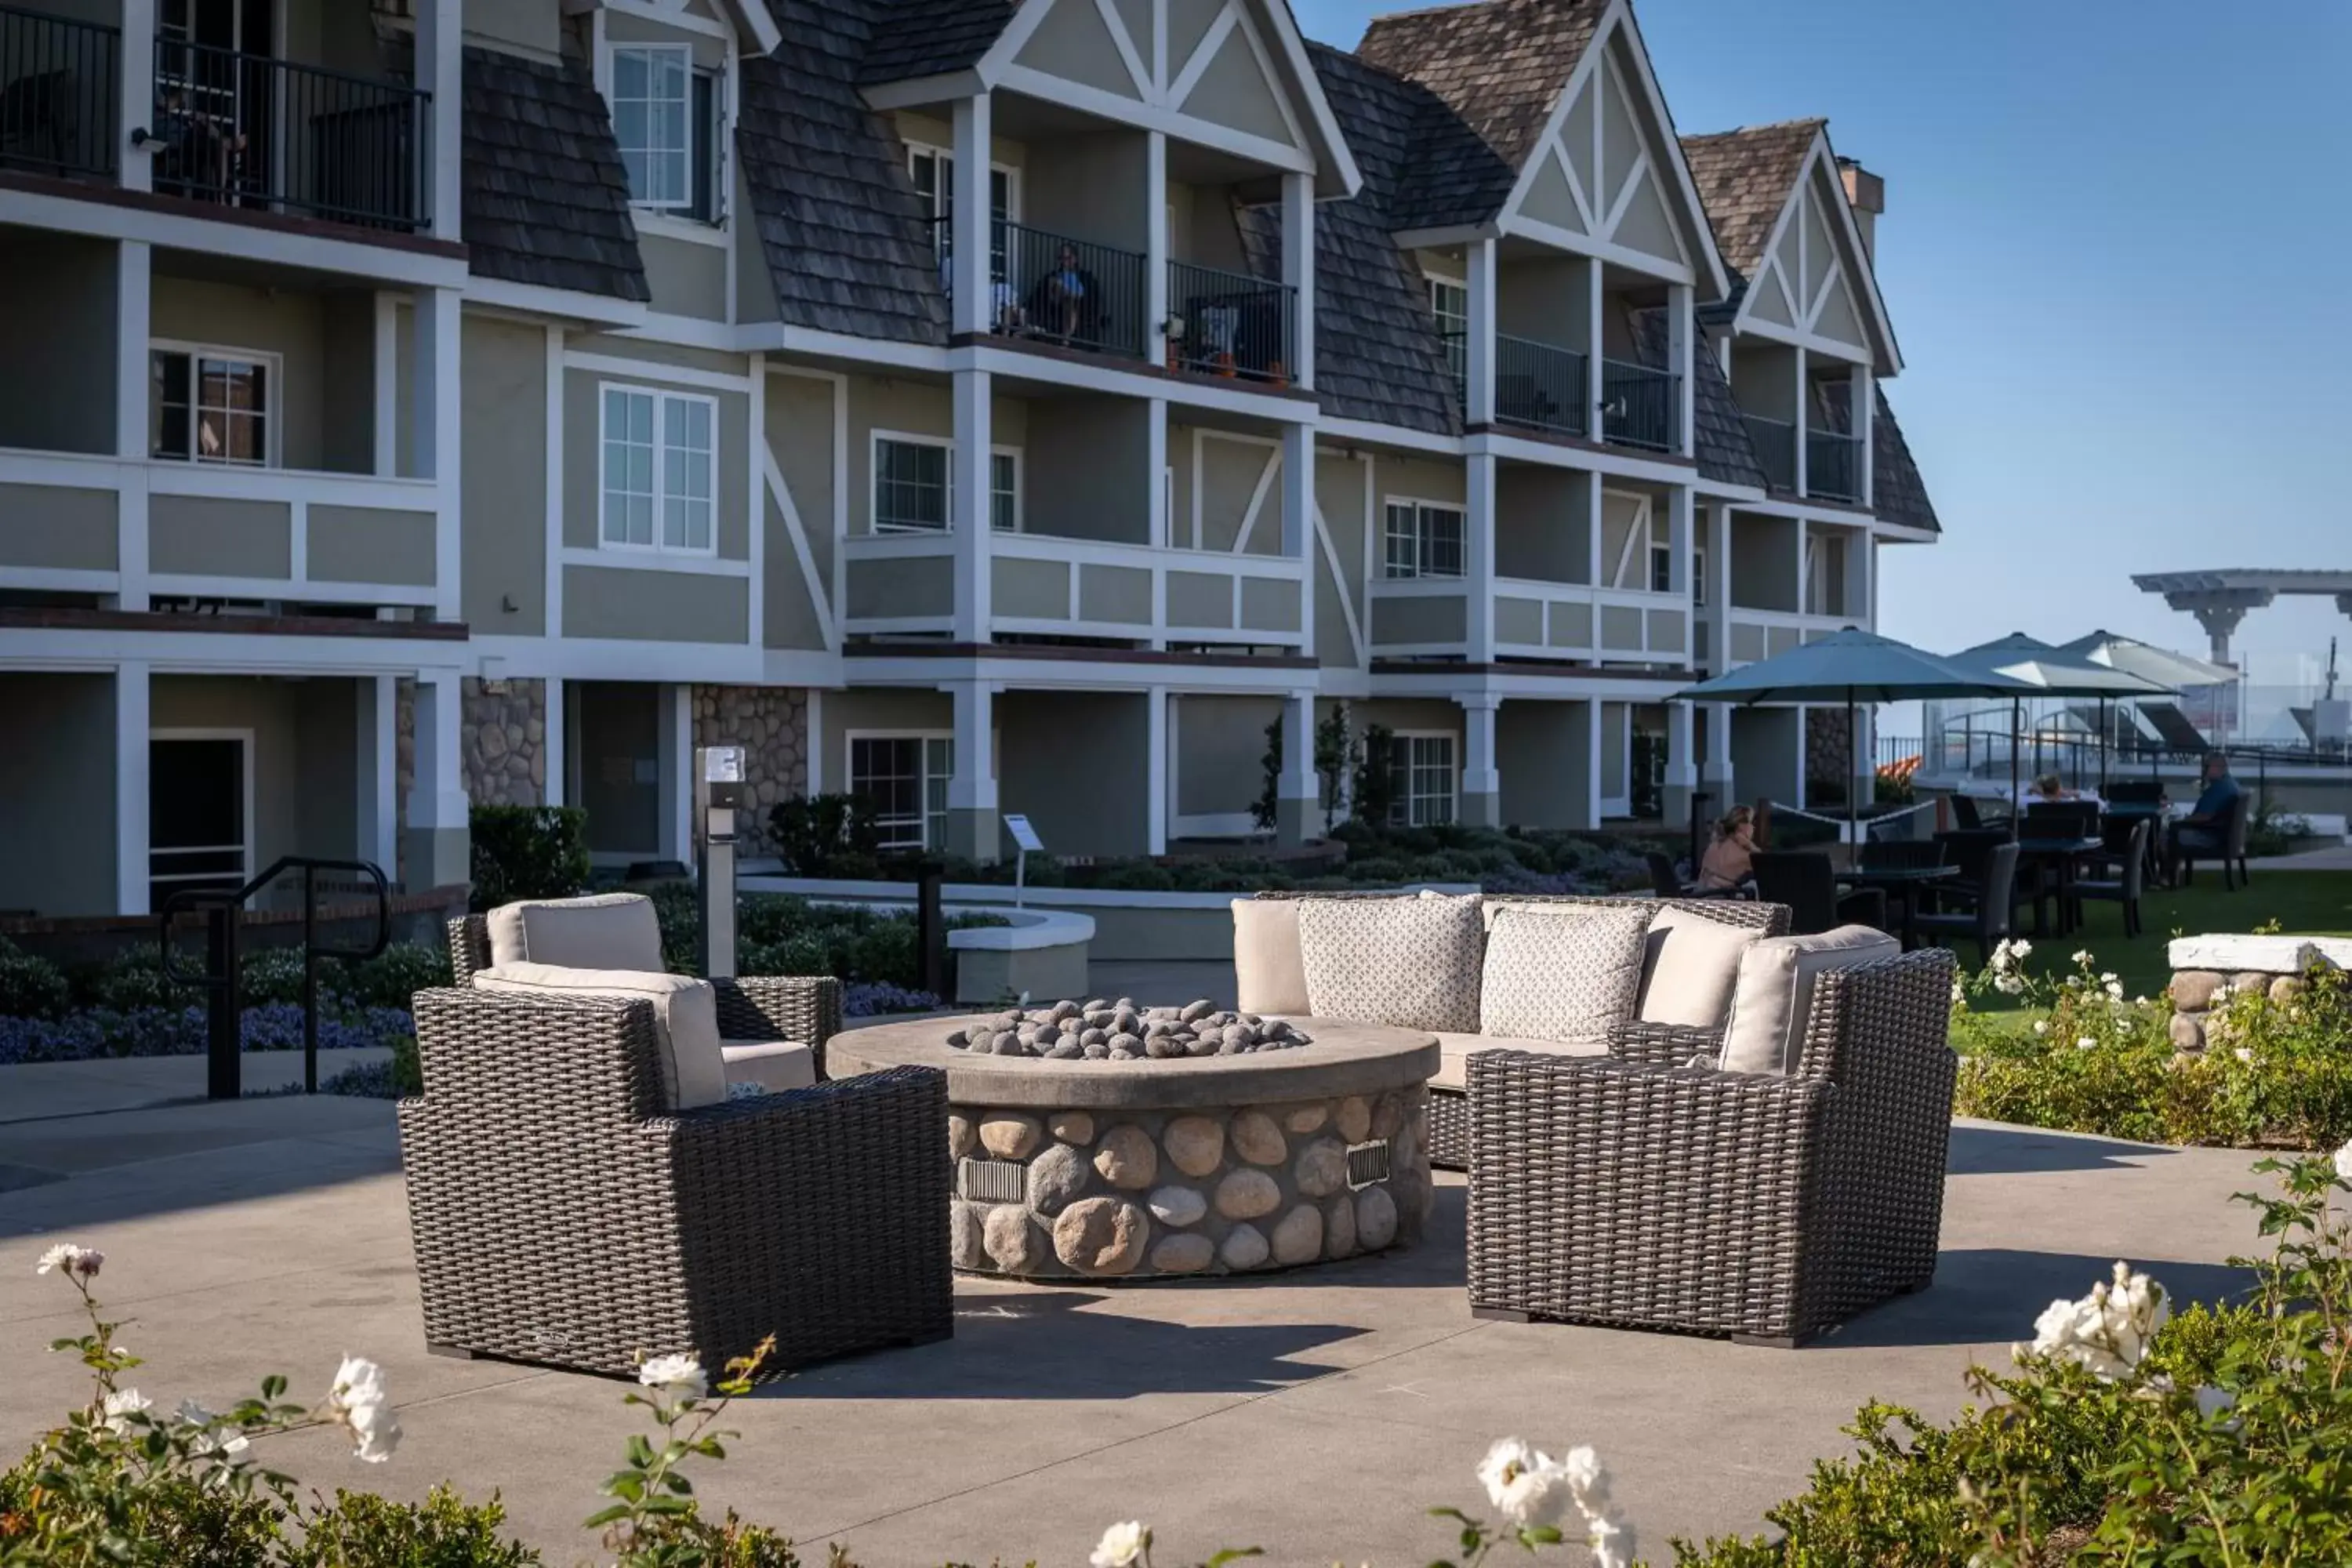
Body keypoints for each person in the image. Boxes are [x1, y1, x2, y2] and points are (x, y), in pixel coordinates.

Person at [2162, 751, 2242, 885]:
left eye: (2207, 767)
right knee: (2174, 831)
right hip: (2221, 835)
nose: (2204, 770)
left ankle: (2166, 876)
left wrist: (2183, 820)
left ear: (2218, 767)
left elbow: (2205, 817)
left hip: (2210, 838)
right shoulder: (2231, 784)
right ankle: (2170, 875)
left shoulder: (2219, 788)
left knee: (2166, 836)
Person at [1027, 243, 1098, 344]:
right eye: (1061, 258)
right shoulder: (1052, 276)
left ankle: (1066, 338)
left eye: (1067, 258)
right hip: (1055, 309)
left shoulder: (1085, 278)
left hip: (1074, 308)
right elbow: (1036, 299)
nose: (1064, 262)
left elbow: (1086, 299)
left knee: (1069, 305)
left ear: (1075, 259)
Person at [1694, 804, 1758, 895]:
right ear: (1742, 826)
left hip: (1700, 897)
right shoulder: (1746, 854)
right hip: (1724, 901)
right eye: (1752, 823)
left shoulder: (1713, 846)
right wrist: (1751, 846)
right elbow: (1766, 870)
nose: (1753, 828)